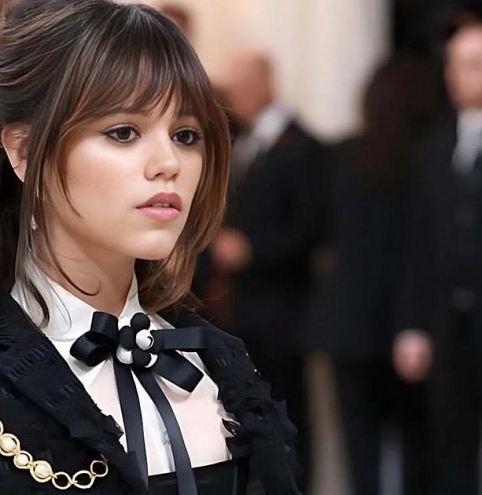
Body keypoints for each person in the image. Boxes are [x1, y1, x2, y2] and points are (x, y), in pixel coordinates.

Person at [0, 1, 300, 494]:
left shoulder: (224, 368)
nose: (168, 162)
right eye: (123, 132)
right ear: (23, 150)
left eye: (186, 135)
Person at [307, 57, 438, 495]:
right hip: (410, 321)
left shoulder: (341, 156)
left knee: (359, 445)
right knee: (418, 444)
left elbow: (319, 233)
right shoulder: (429, 160)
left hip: (347, 321)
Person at [393, 20, 482, 495]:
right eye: (453, 65)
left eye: (473, 64)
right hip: (449, 331)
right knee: (451, 452)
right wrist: (412, 325)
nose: (457, 76)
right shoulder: (436, 146)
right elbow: (417, 244)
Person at [216, 49, 325, 490]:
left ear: (265, 84)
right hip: (242, 306)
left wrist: (253, 251)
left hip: (285, 308)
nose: (235, 98)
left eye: (241, 87)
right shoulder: (243, 142)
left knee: (290, 409)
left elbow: (312, 228)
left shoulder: (303, 146)